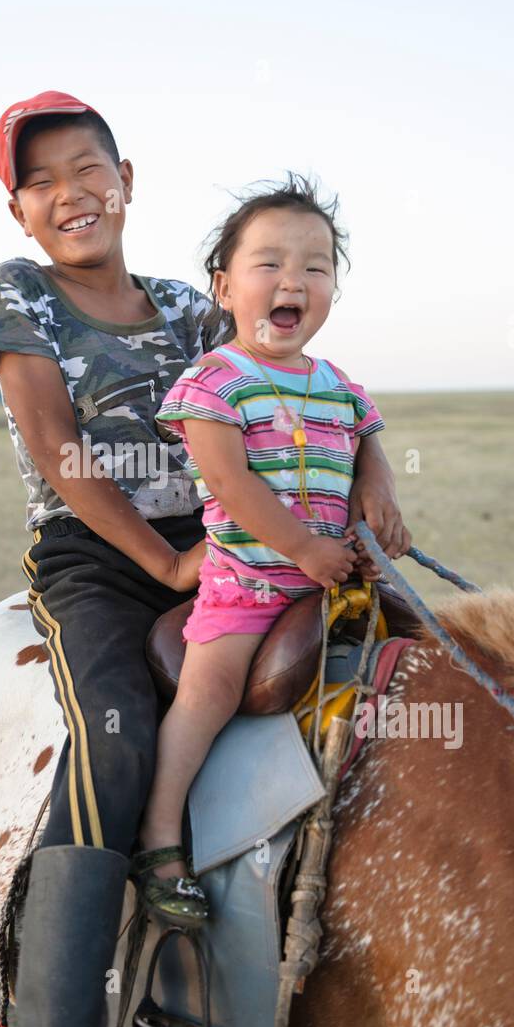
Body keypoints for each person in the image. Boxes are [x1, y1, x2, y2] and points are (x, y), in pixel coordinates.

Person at [0, 92, 411, 1027]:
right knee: (116, 731)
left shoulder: (188, 304)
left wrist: (361, 478)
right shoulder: (20, 293)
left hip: (234, 543)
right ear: (20, 213)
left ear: (125, 180)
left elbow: (295, 378)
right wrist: (165, 565)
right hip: (97, 553)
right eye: (38, 180)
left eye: (88, 166)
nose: (69, 190)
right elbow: (57, 448)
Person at [134, 175, 399, 924]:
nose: (293, 281)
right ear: (223, 287)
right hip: (249, 581)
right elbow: (231, 483)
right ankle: (158, 836)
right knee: (208, 692)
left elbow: (368, 441)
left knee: (417, 655)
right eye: (269, 264)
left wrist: (378, 499)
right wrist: (302, 549)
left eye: (315, 267)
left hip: (334, 577)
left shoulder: (337, 383)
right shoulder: (214, 381)